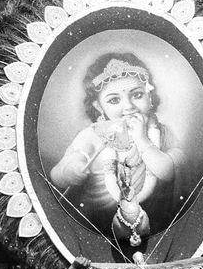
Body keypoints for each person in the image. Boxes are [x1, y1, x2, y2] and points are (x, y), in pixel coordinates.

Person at [47, 53, 189, 255]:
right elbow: (58, 173)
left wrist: (143, 141)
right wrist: (71, 169)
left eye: (137, 95)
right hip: (95, 230)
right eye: (114, 100)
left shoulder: (163, 134)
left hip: (158, 228)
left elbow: (168, 171)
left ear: (150, 95)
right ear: (98, 106)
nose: (128, 107)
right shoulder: (93, 135)